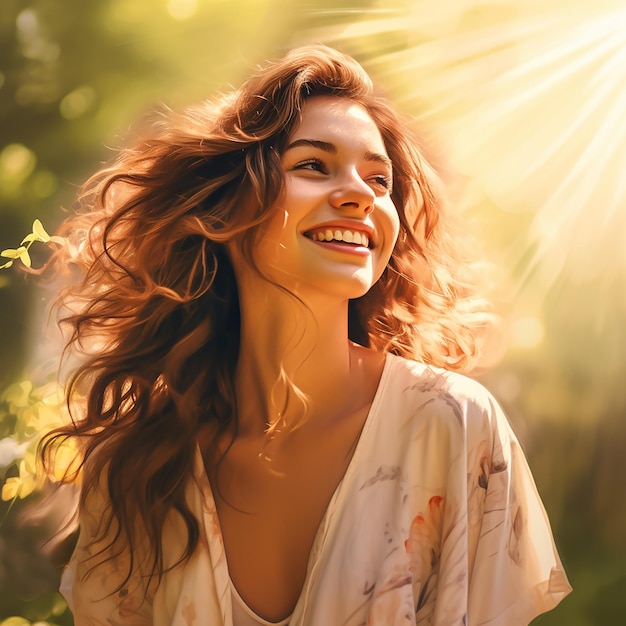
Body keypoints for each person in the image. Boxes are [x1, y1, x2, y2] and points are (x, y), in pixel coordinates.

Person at [42, 45, 571, 625]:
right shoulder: (139, 469)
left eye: (379, 179)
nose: (361, 196)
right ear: (224, 210)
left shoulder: (450, 425)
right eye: (314, 165)